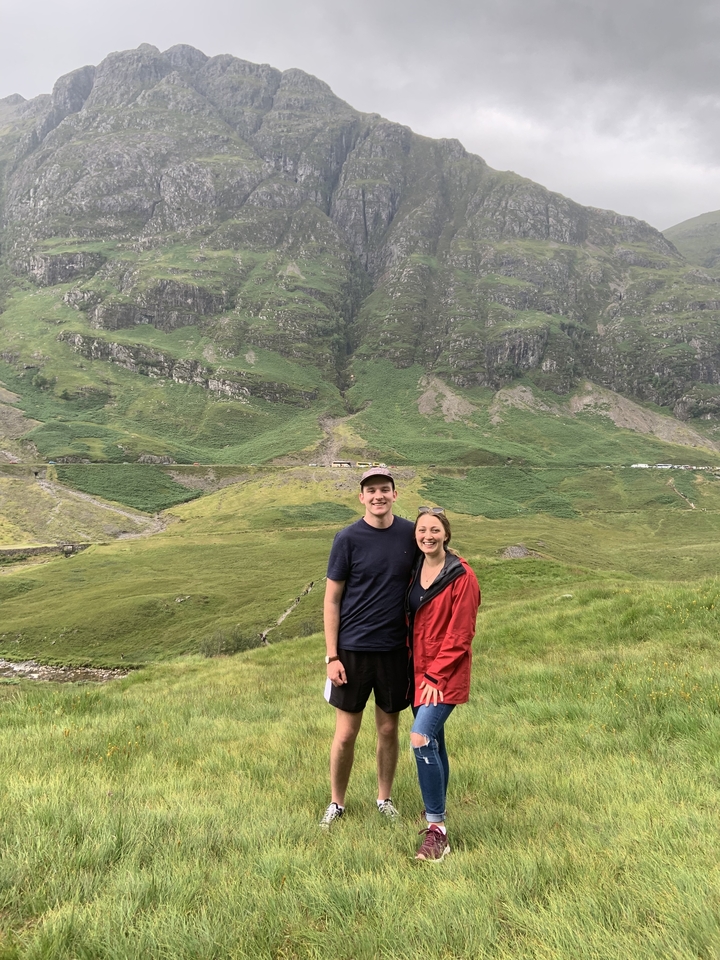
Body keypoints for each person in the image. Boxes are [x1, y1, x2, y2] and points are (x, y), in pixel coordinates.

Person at [320, 467, 416, 828]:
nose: (378, 496)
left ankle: (384, 798)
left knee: (389, 730)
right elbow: (332, 601)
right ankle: (337, 803)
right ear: (361, 497)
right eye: (371, 490)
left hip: (394, 649)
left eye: (384, 489)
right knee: (346, 734)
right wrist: (332, 656)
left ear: (395, 494)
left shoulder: (410, 533)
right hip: (351, 651)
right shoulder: (346, 539)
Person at [406, 506, 480, 861]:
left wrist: (437, 674)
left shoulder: (462, 575)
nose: (428, 536)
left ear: (446, 534)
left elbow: (461, 633)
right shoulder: (415, 568)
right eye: (422, 530)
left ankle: (438, 831)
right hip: (418, 672)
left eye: (435, 530)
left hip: (442, 675)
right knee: (434, 740)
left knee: (420, 739)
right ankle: (439, 811)